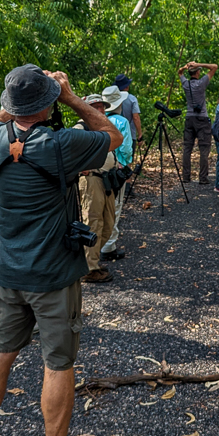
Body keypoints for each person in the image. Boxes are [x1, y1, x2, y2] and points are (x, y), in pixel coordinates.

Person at [0, 64, 123, 436]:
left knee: (0, 354)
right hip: (52, 276)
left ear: (10, 105)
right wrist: (70, 97)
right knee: (58, 363)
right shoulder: (62, 143)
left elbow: (1, 117)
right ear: (49, 104)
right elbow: (114, 136)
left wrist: (19, 98)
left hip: (7, 273)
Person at [75, 94, 117, 284]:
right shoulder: (80, 128)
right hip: (91, 180)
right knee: (93, 223)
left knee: (108, 224)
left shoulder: (102, 128)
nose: (100, 110)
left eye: (102, 107)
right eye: (95, 107)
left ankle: (93, 262)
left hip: (106, 180)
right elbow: (68, 150)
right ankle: (88, 269)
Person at [96, 85, 133, 262]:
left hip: (97, 169)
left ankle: (99, 243)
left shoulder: (97, 119)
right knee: (114, 206)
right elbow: (125, 148)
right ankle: (108, 246)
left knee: (100, 207)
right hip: (115, 170)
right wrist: (126, 165)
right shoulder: (121, 122)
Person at [178, 60, 218, 184]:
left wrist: (186, 67)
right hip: (202, 119)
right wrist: (200, 64)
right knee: (204, 148)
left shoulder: (186, 84)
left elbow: (179, 72)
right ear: (198, 72)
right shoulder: (201, 83)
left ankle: (186, 177)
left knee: (187, 148)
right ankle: (203, 178)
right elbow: (214, 67)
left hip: (189, 118)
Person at [113, 73, 143, 145]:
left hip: (114, 134)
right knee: (129, 155)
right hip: (129, 134)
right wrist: (140, 134)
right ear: (127, 87)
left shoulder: (112, 99)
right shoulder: (132, 99)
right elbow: (136, 117)